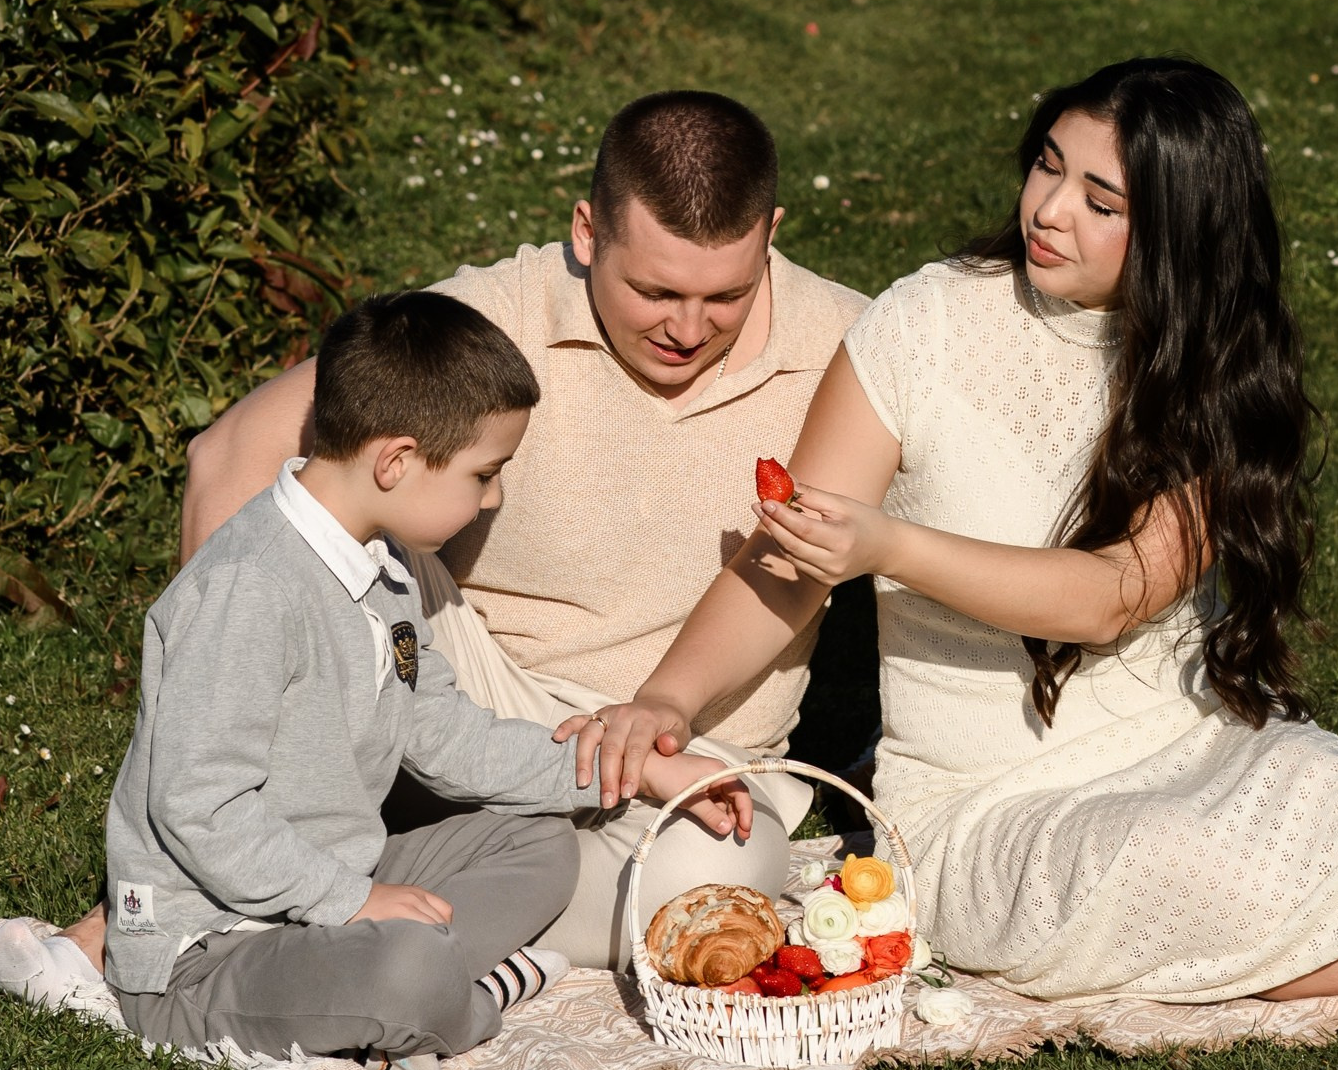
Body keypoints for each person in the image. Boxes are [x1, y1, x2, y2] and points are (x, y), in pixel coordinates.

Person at [564, 57, 1338, 1070]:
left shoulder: (1210, 380)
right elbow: (790, 564)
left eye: (1099, 197)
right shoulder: (922, 325)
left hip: (1178, 733)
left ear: (1179, 229)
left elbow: (1113, 596)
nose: (1048, 210)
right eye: (1047, 166)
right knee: (1164, 861)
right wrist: (667, 700)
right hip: (981, 796)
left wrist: (892, 547)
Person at [74, 89, 865, 975]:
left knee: (726, 874)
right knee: (369, 557)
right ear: (587, 233)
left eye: (725, 295)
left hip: (687, 747)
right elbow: (231, 455)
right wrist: (221, 705)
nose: (686, 329)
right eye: (654, 291)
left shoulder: (849, 343)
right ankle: (256, 868)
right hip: (473, 682)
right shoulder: (498, 313)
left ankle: (357, 885)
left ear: (773, 235)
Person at [104, 285, 744, 1068]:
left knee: (541, 845)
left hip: (335, 887)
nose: (494, 496)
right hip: (206, 950)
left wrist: (639, 770)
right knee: (402, 970)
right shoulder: (249, 587)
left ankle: (412, 981)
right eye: (484, 474)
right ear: (397, 461)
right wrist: (356, 904)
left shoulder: (387, 568)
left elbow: (443, 733)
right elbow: (198, 807)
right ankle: (459, 994)